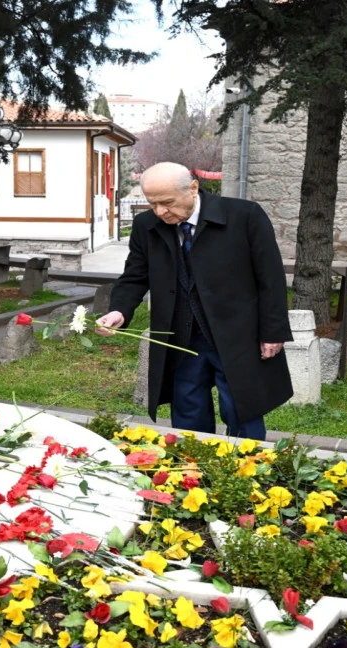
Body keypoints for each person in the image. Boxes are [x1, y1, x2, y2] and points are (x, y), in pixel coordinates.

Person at [96, 162, 292, 440]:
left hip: (236, 334)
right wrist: (120, 310)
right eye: (152, 204)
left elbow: (270, 278)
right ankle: (193, 463)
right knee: (188, 408)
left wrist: (272, 331)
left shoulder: (244, 216)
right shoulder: (146, 225)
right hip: (181, 336)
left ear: (193, 188)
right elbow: (135, 276)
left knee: (241, 407)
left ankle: (249, 462)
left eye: (167, 202)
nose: (160, 212)